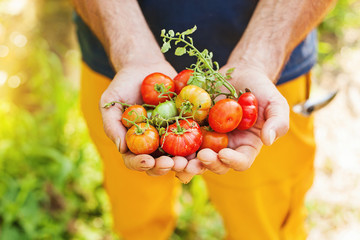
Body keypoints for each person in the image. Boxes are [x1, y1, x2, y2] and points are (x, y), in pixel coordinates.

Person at [72, 0, 336, 239]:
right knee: (135, 212)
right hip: (120, 64)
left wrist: (258, 58)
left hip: (268, 75)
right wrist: (131, 52)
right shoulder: (134, 111)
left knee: (264, 221)